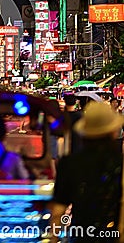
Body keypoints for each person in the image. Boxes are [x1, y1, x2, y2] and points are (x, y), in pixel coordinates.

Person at [49, 101, 124, 243]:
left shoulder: (69, 163)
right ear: (112, 132)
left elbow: (58, 211)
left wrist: (54, 238)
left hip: (80, 234)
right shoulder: (119, 163)